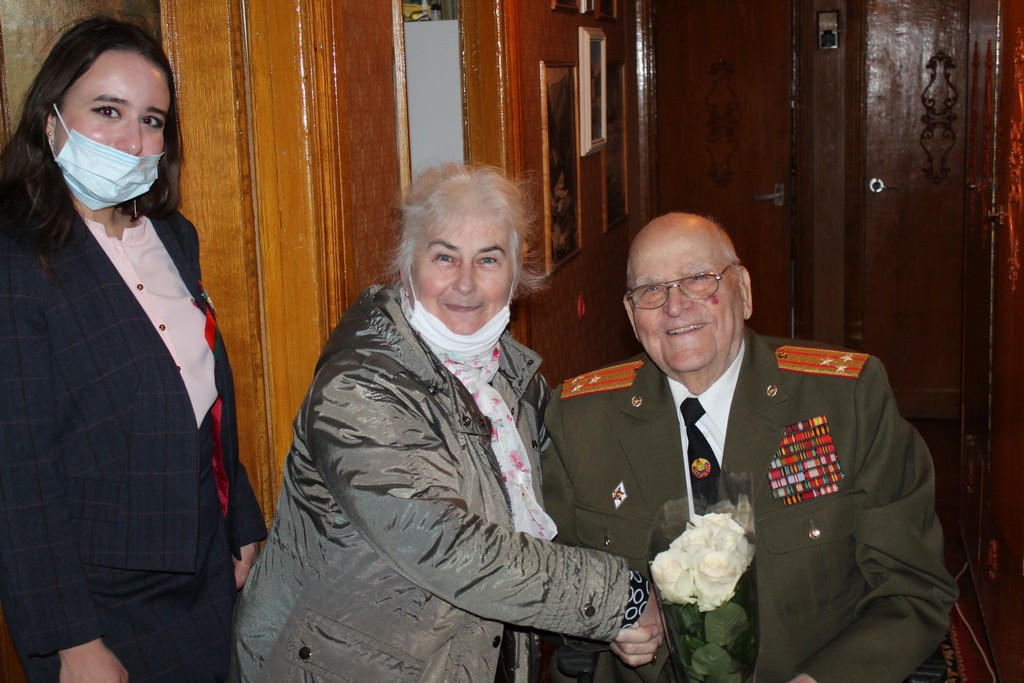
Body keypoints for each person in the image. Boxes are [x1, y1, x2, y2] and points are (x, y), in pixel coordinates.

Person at [230, 163, 661, 682]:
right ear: (407, 265)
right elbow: (449, 546)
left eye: (488, 259)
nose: (465, 283)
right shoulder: (360, 388)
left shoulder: (508, 379)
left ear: (515, 275)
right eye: (444, 257)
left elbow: (565, 497)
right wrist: (620, 597)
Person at [542, 213, 959, 683]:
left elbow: (914, 589)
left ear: (743, 290)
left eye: (698, 278)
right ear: (631, 315)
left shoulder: (847, 402)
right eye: (651, 290)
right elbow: (549, 580)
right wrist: (612, 615)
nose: (675, 306)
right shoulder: (580, 420)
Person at [0, 16, 267, 682]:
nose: (132, 139)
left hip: (205, 571)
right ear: (50, 119)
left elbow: (202, 393)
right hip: (101, 603)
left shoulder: (172, 236)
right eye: (107, 110)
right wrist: (73, 641)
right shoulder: (16, 259)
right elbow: (18, 472)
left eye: (152, 120)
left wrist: (239, 518)